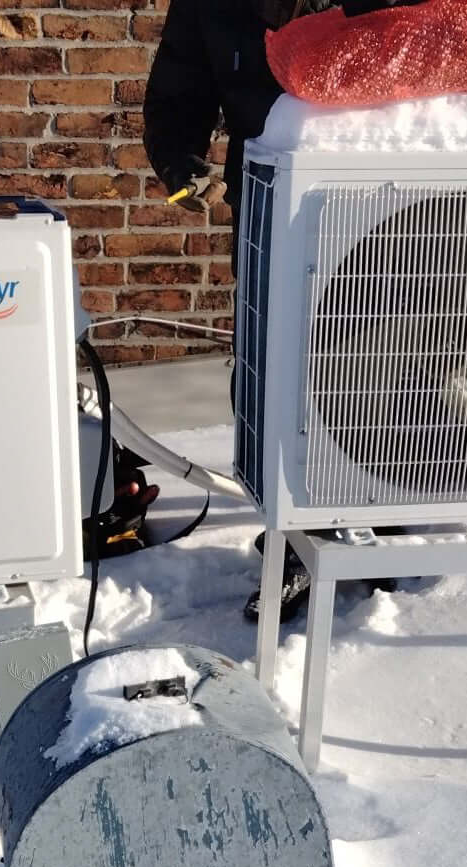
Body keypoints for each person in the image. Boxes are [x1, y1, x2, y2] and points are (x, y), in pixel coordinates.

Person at [144, 0, 400, 623]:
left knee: (380, 350)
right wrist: (180, 165)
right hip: (268, 194)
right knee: (273, 360)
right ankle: (292, 527)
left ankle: (382, 503)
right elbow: (181, 85)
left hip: (385, 194)